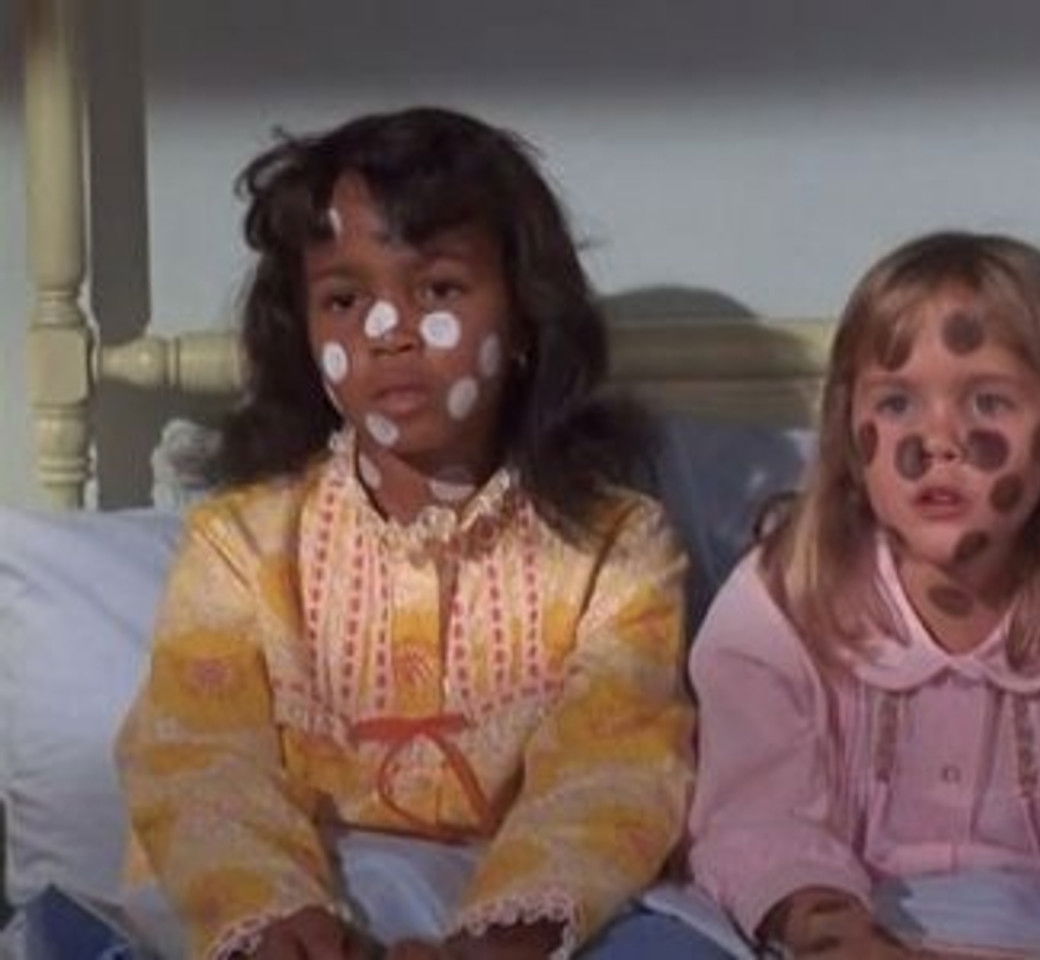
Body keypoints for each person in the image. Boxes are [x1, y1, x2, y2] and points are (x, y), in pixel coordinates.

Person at [115, 106, 712, 960]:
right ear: (304, 332)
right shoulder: (237, 547)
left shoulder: (616, 546)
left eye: (437, 290)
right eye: (344, 300)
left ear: (525, 317)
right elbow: (198, 759)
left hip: (523, 922)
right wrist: (278, 920)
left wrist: (508, 935)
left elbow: (613, 766)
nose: (387, 332)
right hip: (287, 914)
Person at [685, 232, 1040, 959]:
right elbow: (757, 821)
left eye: (989, 401)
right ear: (849, 433)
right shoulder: (785, 602)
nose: (941, 439)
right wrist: (842, 940)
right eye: (897, 403)